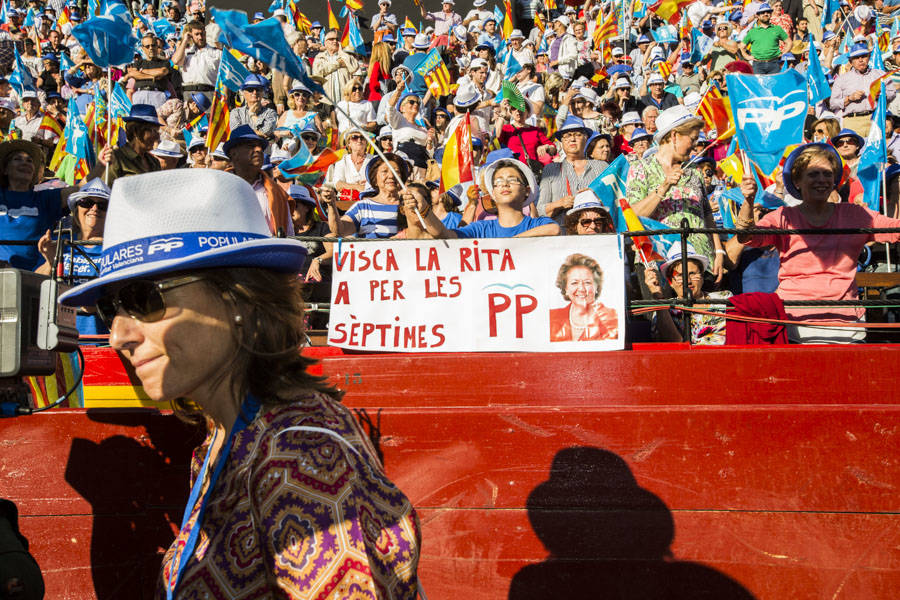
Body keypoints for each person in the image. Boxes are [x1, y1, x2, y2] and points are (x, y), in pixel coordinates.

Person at [57, 169, 421, 598]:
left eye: (142, 299)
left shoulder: (302, 462)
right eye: (110, 306)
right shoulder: (225, 437)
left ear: (239, 299)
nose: (118, 335)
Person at [737, 143, 900, 343]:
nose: (821, 180)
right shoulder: (783, 216)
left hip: (845, 320)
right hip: (795, 319)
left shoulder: (855, 214)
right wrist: (748, 200)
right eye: (813, 174)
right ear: (797, 181)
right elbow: (747, 237)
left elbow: (894, 229)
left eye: (827, 174)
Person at [626, 106, 725, 279]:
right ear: (674, 136)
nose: (695, 146)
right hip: (658, 261)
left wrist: (718, 251)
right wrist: (664, 187)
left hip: (701, 261)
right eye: (692, 139)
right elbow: (633, 215)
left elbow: (707, 214)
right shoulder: (641, 168)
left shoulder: (695, 171)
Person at [406, 157, 560, 238]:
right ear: (492, 193)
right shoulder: (480, 229)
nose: (505, 184)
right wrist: (425, 209)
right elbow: (445, 234)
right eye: (498, 181)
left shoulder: (536, 224)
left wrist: (510, 244)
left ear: (526, 191)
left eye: (512, 180)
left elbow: (554, 229)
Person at [36, 179, 111, 337]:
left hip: (99, 342)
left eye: (103, 205)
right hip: (59, 341)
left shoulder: (115, 251)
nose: (94, 208)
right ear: (76, 212)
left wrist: (92, 302)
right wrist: (50, 262)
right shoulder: (60, 244)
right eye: (86, 202)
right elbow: (35, 287)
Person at [643, 244, 733, 345]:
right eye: (680, 276)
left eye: (693, 274)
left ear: (702, 276)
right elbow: (674, 343)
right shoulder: (665, 310)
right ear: (670, 282)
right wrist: (658, 296)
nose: (688, 281)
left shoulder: (724, 299)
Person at [225, 125, 293, 237]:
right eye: (251, 146)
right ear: (233, 154)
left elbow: (289, 236)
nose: (259, 149)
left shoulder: (278, 194)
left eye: (260, 146)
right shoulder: (218, 189)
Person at [334, 153, 410, 238]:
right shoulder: (362, 206)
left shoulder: (410, 205)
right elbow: (340, 231)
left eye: (396, 172)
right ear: (375, 178)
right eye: (385, 171)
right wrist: (331, 205)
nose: (391, 176)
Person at [830, 43, 896, 137]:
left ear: (869, 57)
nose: (860, 60)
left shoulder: (880, 75)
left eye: (864, 56)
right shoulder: (842, 79)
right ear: (850, 61)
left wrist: (882, 96)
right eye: (856, 58)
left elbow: (892, 93)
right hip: (852, 121)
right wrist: (849, 98)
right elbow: (833, 104)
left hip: (875, 118)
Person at [549, 253, 619, 341]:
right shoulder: (551, 318)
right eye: (574, 283)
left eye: (587, 282)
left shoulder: (612, 319)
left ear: (596, 286)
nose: (581, 289)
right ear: (565, 288)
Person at [106, 104, 162, 185]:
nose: (157, 136)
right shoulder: (116, 158)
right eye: (153, 131)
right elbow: (106, 191)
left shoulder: (154, 162)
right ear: (136, 131)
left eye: (157, 131)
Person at [172, 19, 221, 103]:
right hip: (189, 93)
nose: (200, 37)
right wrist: (185, 40)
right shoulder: (186, 52)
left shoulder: (217, 52)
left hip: (209, 92)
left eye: (202, 34)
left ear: (205, 34)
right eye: (197, 34)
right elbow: (176, 61)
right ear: (191, 35)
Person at [312, 28, 359, 106]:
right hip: (327, 102)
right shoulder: (319, 57)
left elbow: (354, 67)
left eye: (337, 39)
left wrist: (341, 52)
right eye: (331, 39)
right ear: (325, 43)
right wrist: (337, 63)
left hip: (345, 101)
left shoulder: (345, 56)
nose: (335, 41)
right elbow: (318, 73)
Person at [739, 3, 788, 75]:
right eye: (762, 12)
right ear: (758, 16)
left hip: (774, 63)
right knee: (759, 86)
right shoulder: (752, 31)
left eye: (768, 12)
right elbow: (741, 46)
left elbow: (789, 42)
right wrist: (747, 57)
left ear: (771, 14)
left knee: (773, 85)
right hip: (758, 65)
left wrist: (783, 53)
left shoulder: (777, 29)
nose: (765, 14)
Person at [229, 74, 278, 141]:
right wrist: (262, 134)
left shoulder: (270, 112)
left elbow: (267, 130)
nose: (254, 92)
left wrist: (252, 114)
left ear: (262, 93)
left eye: (258, 89)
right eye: (250, 89)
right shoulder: (236, 112)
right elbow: (237, 133)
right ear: (244, 93)